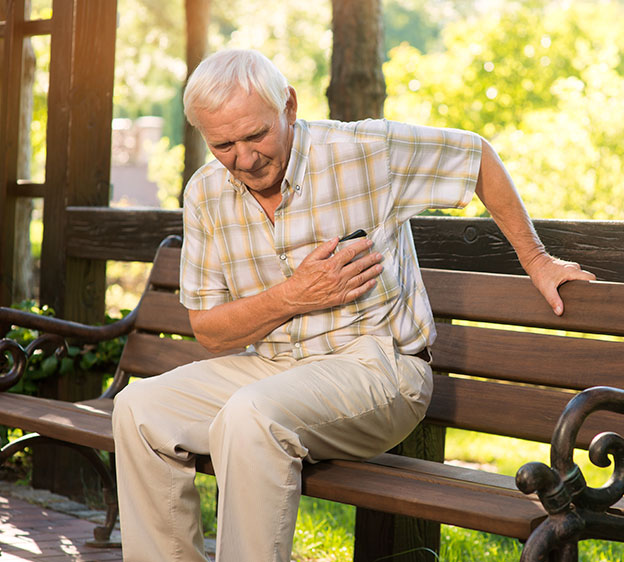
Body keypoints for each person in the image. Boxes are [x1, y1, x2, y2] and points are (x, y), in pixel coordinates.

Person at [111, 49, 595, 562]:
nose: (245, 159)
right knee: (138, 409)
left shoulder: (364, 150)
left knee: (250, 416)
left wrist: (537, 259)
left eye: (256, 136)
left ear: (290, 106)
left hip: (380, 371)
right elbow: (208, 329)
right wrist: (293, 295)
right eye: (223, 144)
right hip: (272, 369)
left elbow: (476, 157)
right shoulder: (205, 193)